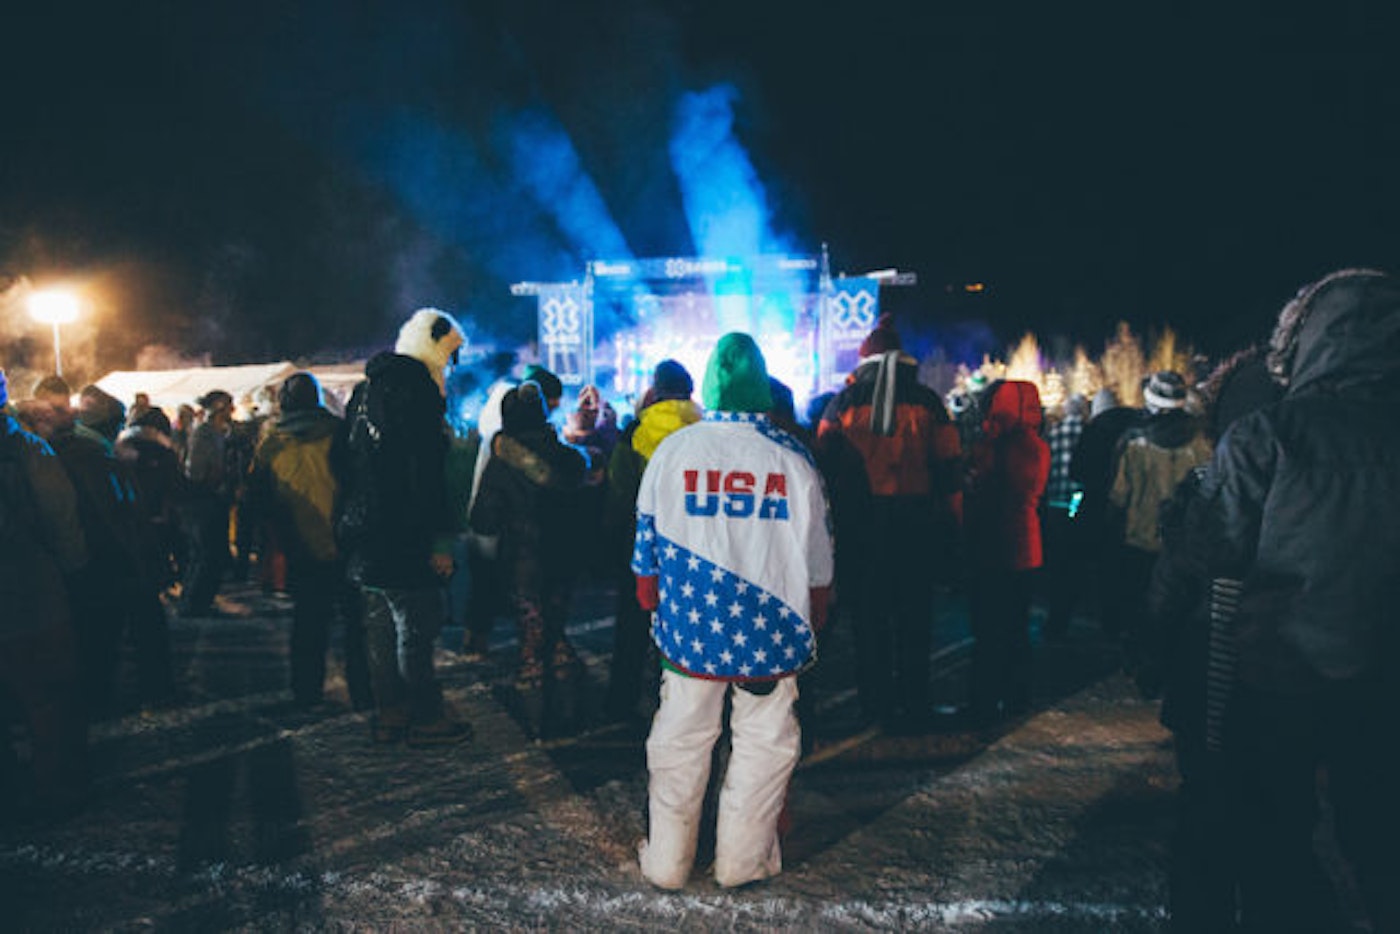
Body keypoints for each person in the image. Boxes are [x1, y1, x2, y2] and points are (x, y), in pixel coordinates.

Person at [1195, 269, 1400, 931]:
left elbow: (1217, 549)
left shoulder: (1269, 432)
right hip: (1386, 681)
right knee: (1380, 839)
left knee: (1275, 838)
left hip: (1282, 676)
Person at [632, 333, 834, 890]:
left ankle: (669, 861)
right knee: (763, 745)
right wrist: (813, 613)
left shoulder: (673, 451)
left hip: (692, 632)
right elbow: (819, 559)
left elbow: (644, 546)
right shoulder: (794, 460)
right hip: (771, 633)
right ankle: (741, 862)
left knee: (680, 740)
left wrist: (652, 598)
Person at [1146, 346, 1281, 929]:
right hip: (1286, 674)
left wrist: (1149, 651)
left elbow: (1171, 584)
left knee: (1206, 809)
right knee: (1279, 816)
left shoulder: (1210, 484)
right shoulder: (1306, 481)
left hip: (1212, 675)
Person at [815, 313, 963, 730]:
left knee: (869, 619)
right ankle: (915, 702)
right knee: (915, 619)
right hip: (916, 523)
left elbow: (822, 465)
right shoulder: (929, 402)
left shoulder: (842, 403)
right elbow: (950, 468)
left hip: (862, 526)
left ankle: (875, 704)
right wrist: (954, 522)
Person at [338, 308, 472, 746]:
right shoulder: (418, 392)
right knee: (415, 629)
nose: (450, 368)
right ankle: (427, 715)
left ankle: (390, 713)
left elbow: (343, 460)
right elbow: (425, 474)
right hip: (404, 532)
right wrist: (438, 539)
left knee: (378, 630)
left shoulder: (364, 392)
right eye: (450, 355)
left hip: (363, 531)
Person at [470, 381, 592, 735]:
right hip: (564, 564)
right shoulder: (570, 459)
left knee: (532, 637)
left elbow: (483, 520)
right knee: (556, 630)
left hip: (522, 565)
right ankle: (569, 714)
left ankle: (538, 721)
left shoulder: (501, 463)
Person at [245, 372, 371, 710]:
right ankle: (363, 691)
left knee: (308, 622)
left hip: (300, 544)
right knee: (355, 623)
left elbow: (257, 499)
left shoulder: (271, 443)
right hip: (344, 542)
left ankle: (306, 692)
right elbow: (356, 483)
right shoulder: (338, 432)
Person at [0, 367, 90, 818]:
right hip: (27, 592)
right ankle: (50, 792)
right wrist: (73, 569)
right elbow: (61, 519)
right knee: (45, 700)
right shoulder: (27, 450)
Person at [600, 360, 702, 723]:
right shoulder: (706, 425)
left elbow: (621, 490)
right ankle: (683, 704)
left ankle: (621, 701)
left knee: (632, 626)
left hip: (646, 541)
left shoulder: (636, 431)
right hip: (696, 545)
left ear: (655, 389)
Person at [1109, 370, 1212, 684]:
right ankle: (1167, 667)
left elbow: (1118, 494)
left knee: (1138, 603)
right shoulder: (1202, 442)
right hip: (1182, 543)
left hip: (1139, 538)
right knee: (1176, 607)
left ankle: (1138, 662)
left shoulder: (1134, 441)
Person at [964, 379, 1050, 724]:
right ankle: (1016, 696)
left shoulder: (997, 448)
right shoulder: (1036, 446)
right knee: (1016, 628)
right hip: (1027, 548)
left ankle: (984, 701)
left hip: (994, 547)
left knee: (989, 630)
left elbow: (986, 494)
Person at [1068, 387, 1142, 634]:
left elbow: (1077, 470)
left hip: (1097, 506)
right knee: (1127, 570)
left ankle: (1105, 622)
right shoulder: (1137, 428)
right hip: (1133, 509)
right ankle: (1127, 624)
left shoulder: (1093, 431)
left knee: (1099, 568)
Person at [178, 389, 236, 618]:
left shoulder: (219, 433)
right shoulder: (204, 434)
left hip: (214, 499)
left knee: (210, 555)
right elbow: (196, 472)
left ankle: (200, 601)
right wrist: (216, 476)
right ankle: (192, 603)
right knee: (204, 554)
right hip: (202, 501)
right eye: (228, 406)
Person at [1040, 393, 1087, 641]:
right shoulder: (1090, 434)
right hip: (1079, 505)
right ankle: (1075, 608)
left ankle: (1054, 617)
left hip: (1055, 502)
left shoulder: (1054, 434)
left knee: (1056, 560)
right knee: (1075, 560)